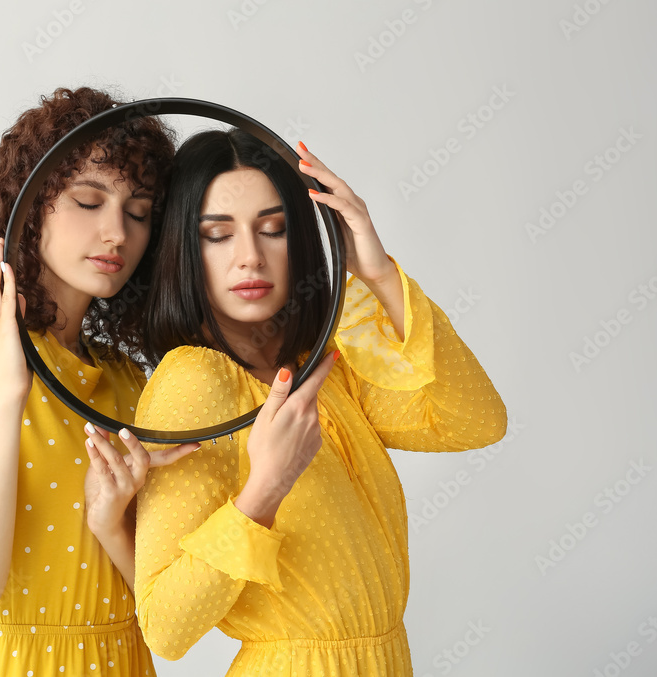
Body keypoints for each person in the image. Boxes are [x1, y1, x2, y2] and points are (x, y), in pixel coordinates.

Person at [103, 128, 508, 675]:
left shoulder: (329, 362)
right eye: (218, 235)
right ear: (185, 251)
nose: (251, 257)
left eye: (273, 229)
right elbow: (167, 627)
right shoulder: (194, 380)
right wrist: (265, 490)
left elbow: (475, 422)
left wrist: (377, 273)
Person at [0, 86, 197, 677]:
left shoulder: (130, 381)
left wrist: (114, 518)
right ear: (30, 203)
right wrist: (11, 391)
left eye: (139, 212)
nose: (118, 233)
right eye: (89, 201)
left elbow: (167, 611)